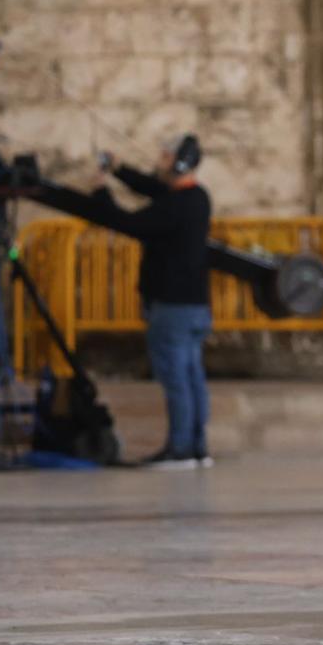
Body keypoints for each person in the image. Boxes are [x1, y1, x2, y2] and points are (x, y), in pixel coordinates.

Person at [91, 135, 213, 470]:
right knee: (192, 378)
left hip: (171, 308)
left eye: (165, 156)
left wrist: (101, 190)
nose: (158, 161)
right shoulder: (197, 198)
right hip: (195, 307)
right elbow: (152, 187)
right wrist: (118, 169)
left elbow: (127, 223)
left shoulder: (174, 207)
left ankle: (180, 450)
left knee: (176, 380)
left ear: (179, 163)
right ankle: (198, 448)